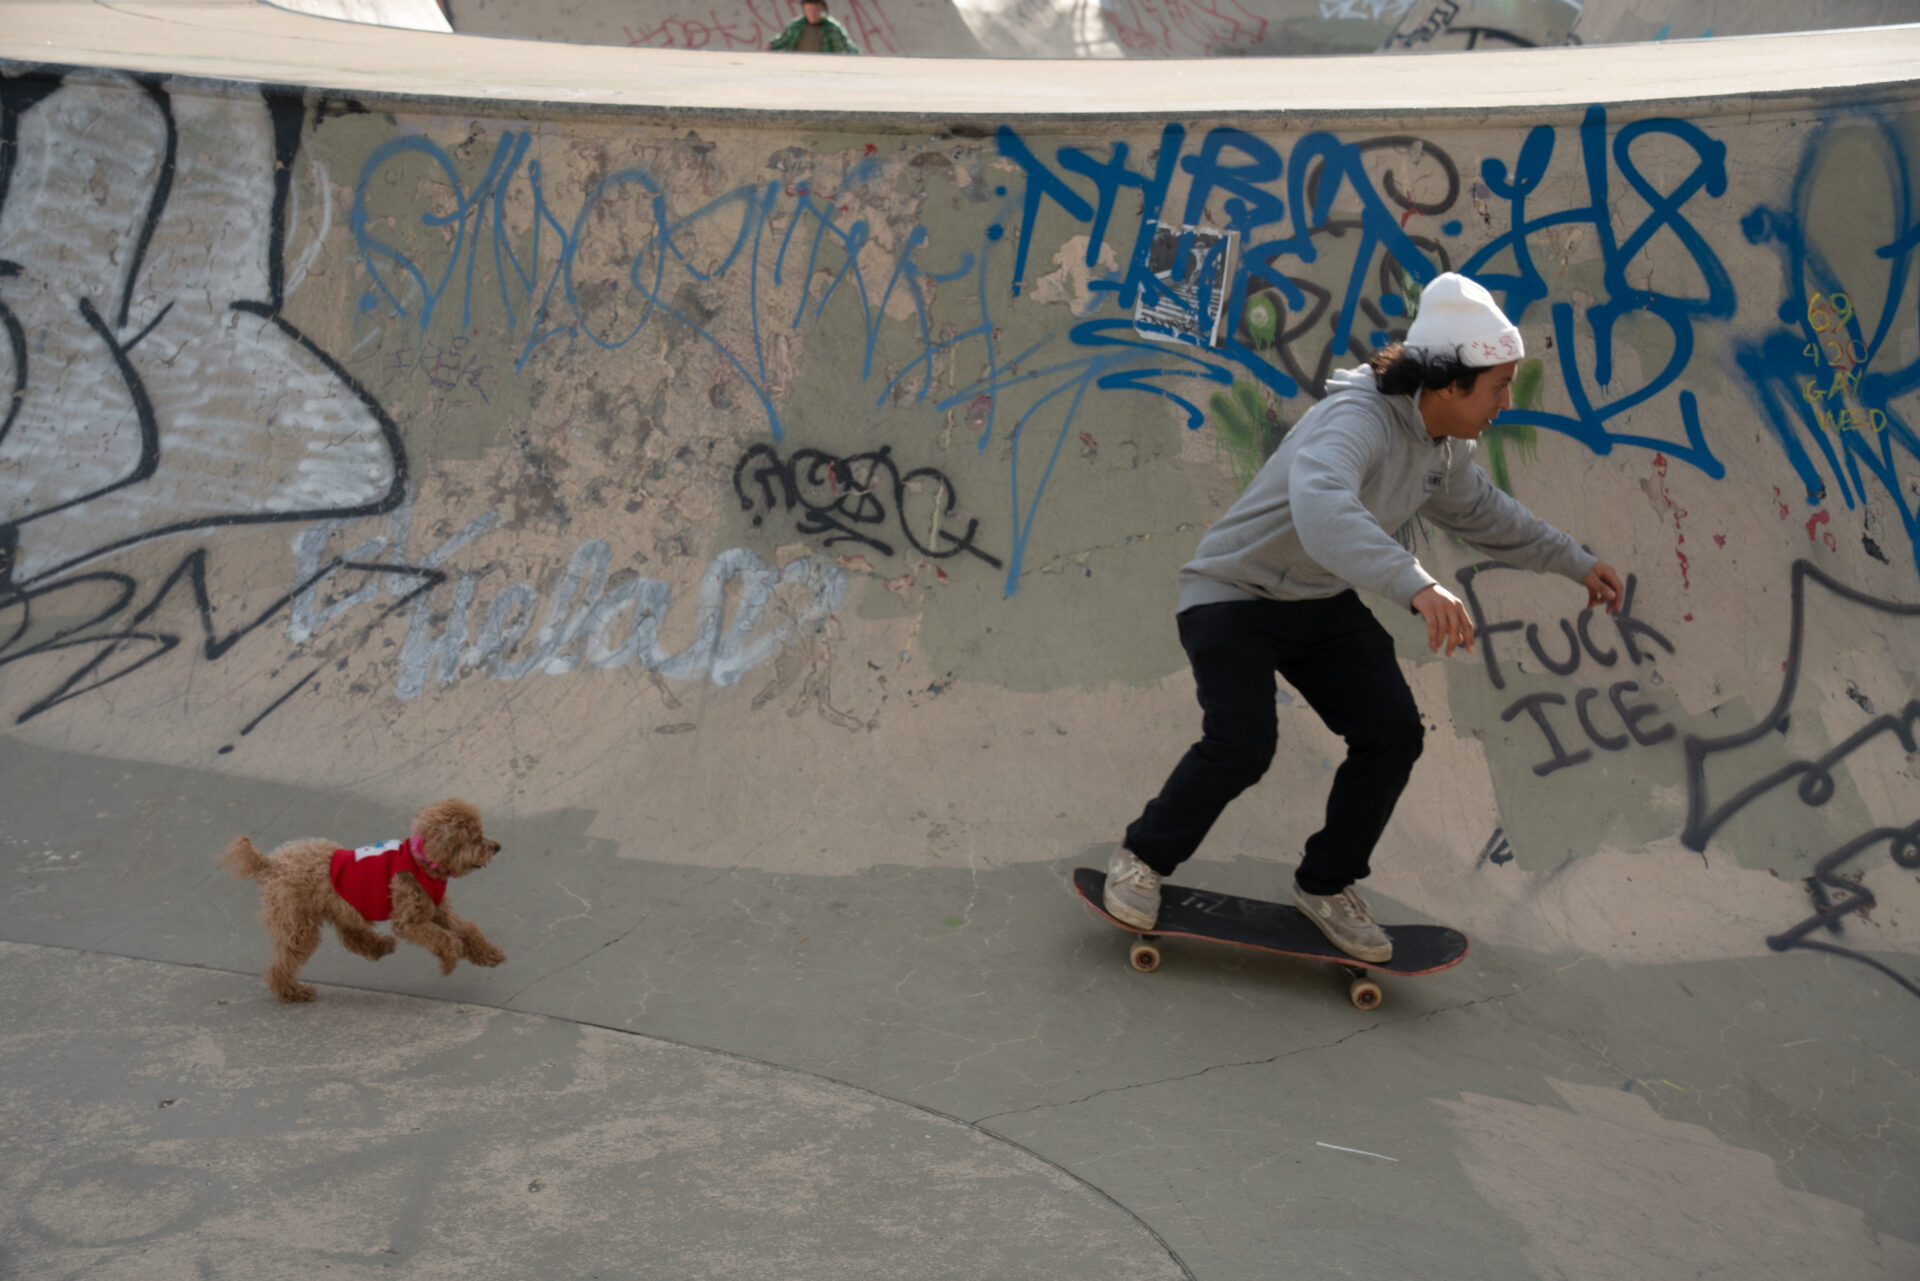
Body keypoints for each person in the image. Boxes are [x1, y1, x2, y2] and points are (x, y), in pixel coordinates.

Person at [1107, 273, 1623, 962]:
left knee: (1392, 732)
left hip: (1317, 603)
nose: (1506, 401)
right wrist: (1416, 585)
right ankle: (1142, 856)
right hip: (1232, 594)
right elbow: (1324, 510)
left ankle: (1326, 884)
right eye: (1498, 387)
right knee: (1243, 741)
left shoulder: (1445, 448)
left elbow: (1483, 513)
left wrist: (1574, 560)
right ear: (1447, 383)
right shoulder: (1356, 420)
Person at [770, 0, 861, 53]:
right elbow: (782, 41)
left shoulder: (832, 28)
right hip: (799, 65)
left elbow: (846, 47)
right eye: (809, 9)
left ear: (823, 10)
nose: (812, 13)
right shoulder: (796, 25)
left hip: (824, 66)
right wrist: (769, 46)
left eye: (816, 9)